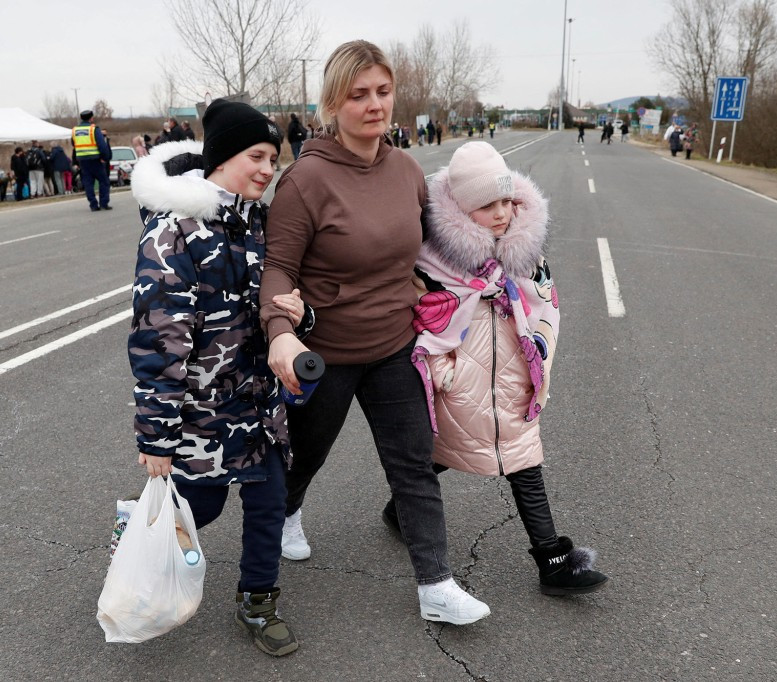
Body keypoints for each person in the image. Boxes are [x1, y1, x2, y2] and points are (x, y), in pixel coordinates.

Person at [261, 39, 491, 626]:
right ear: (333, 103)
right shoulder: (305, 181)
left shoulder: (407, 169)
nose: (374, 104)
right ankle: (287, 512)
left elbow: (435, 250)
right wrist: (280, 334)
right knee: (306, 455)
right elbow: (278, 268)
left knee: (412, 464)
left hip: (395, 347)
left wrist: (506, 254)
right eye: (358, 94)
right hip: (327, 353)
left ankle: (436, 585)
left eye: (383, 92)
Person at [128, 99, 312, 657]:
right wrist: (157, 439)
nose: (267, 168)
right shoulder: (174, 234)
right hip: (200, 418)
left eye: (273, 159)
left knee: (269, 503)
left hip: (259, 407)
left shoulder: (261, 222)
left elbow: (279, 304)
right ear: (222, 157)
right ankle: (137, 549)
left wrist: (302, 317)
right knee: (196, 508)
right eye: (256, 155)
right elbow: (158, 341)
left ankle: (258, 600)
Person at [407, 141, 610, 596]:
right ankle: (400, 509)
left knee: (522, 458)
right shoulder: (432, 260)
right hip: (463, 380)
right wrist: (445, 371)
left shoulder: (524, 253)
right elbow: (423, 315)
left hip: (515, 377)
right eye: (486, 205)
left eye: (505, 201)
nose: (500, 213)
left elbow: (545, 306)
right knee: (441, 454)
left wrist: (538, 360)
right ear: (460, 209)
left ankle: (552, 562)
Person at [71, 109, 112, 211]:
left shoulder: (75, 130)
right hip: (95, 160)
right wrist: (105, 157)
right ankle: (103, 203)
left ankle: (93, 205)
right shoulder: (93, 129)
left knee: (88, 183)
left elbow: (74, 144)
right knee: (104, 181)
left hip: (82, 161)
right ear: (91, 118)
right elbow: (102, 145)